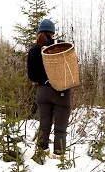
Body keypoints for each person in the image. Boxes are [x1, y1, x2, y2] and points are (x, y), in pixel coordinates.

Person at [27, 19, 72, 162]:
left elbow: (31, 76)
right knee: (60, 128)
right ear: (53, 32)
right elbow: (72, 67)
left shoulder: (34, 50)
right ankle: (59, 159)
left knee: (44, 125)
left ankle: (41, 155)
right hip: (61, 92)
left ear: (39, 31)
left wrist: (43, 78)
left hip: (43, 92)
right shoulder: (61, 46)